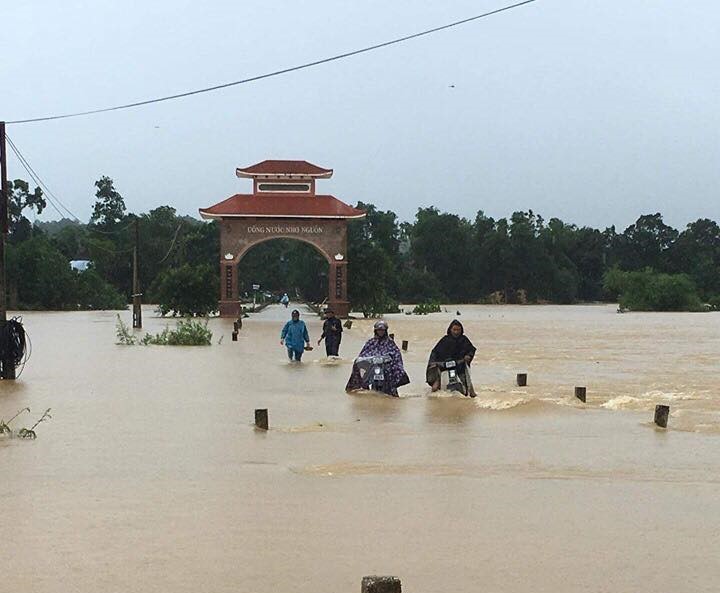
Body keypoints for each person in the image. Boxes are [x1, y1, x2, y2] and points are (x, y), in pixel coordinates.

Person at [345, 320, 409, 396]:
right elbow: (363, 355)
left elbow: (396, 356)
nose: (380, 332)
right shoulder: (371, 342)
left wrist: (386, 359)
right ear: (375, 331)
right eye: (379, 330)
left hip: (386, 370)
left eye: (382, 330)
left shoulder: (390, 342)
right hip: (373, 369)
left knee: (387, 393)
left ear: (385, 331)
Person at [426, 319, 477, 397]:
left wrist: (469, 356)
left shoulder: (464, 340)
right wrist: (432, 363)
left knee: (470, 391)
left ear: (461, 330)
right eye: (454, 330)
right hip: (444, 365)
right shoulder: (444, 340)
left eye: (458, 330)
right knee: (435, 388)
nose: (456, 332)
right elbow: (434, 352)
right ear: (450, 330)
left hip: (459, 364)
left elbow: (471, 349)